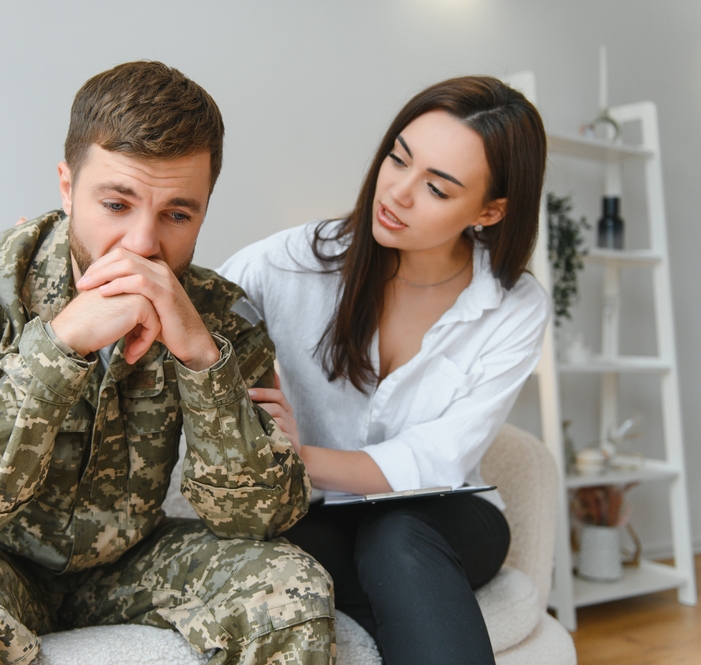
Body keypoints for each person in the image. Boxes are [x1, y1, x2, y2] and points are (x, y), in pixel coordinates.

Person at [0, 61, 334, 665]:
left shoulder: (221, 315)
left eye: (178, 214)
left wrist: (202, 360)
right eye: (117, 204)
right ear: (68, 187)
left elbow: (261, 520)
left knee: (289, 588)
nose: (143, 244)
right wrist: (60, 346)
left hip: (128, 564)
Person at [219, 76, 549, 664]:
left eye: (437, 188)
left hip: (444, 516)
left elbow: (439, 457)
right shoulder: (291, 263)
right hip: (319, 519)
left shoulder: (514, 307)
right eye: (398, 159)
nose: (396, 192)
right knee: (271, 552)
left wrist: (300, 457)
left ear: (489, 211)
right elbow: (193, 318)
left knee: (394, 536)